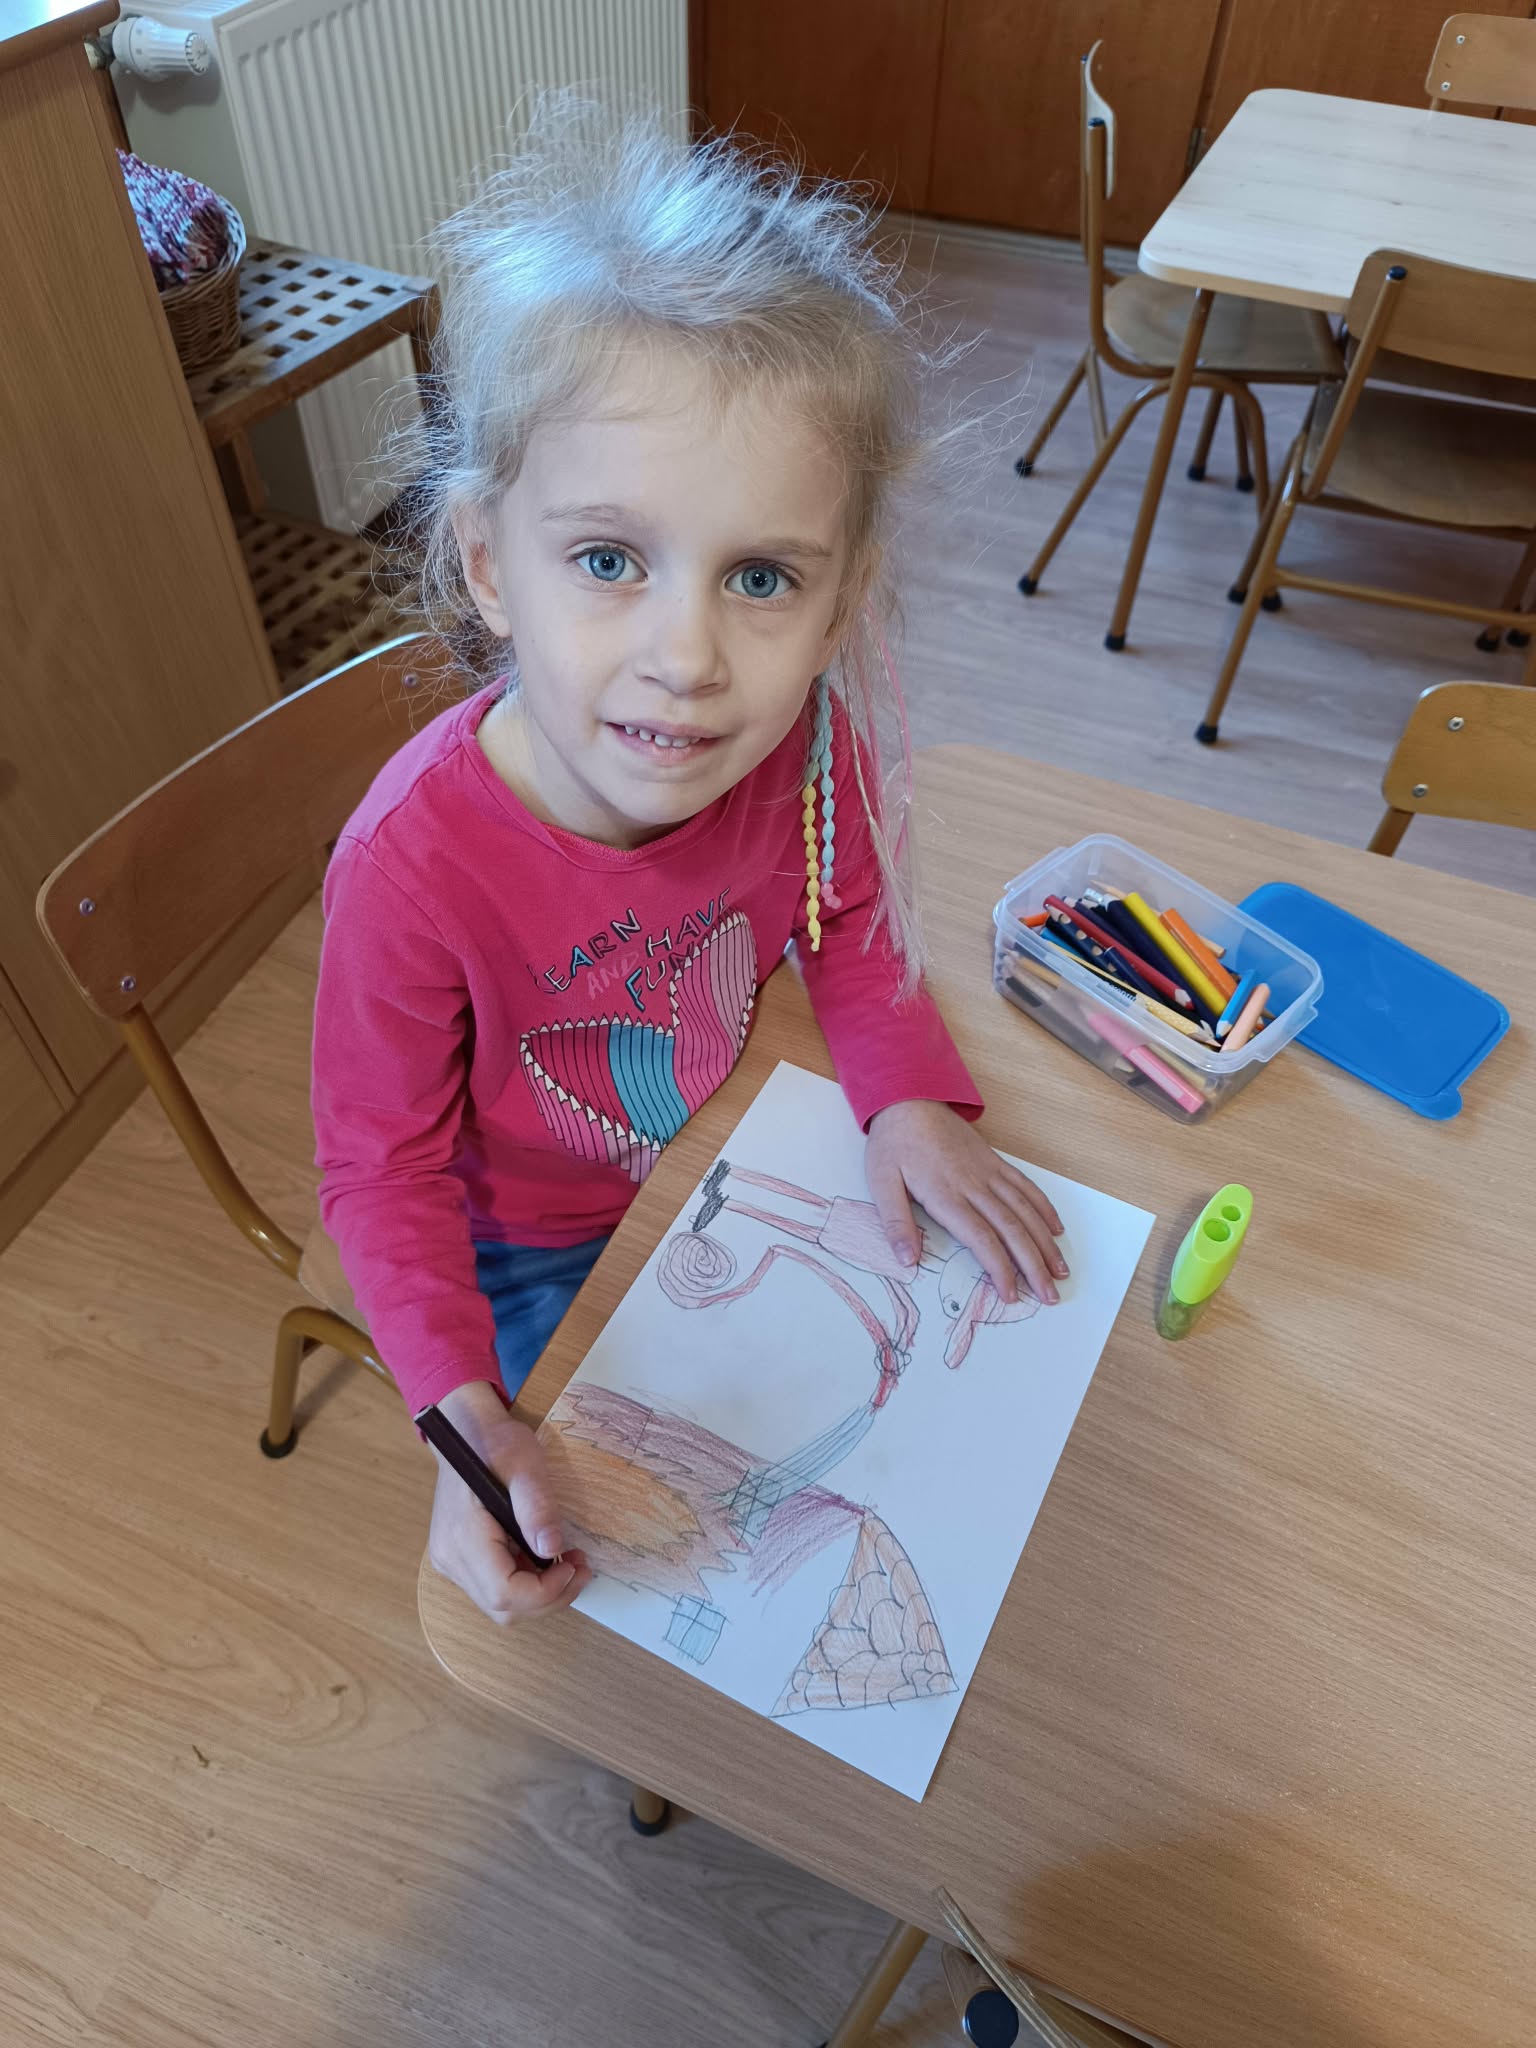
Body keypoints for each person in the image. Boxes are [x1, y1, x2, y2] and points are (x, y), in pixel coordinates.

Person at [312, 99, 1068, 1627]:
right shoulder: (412, 864)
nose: (689, 657)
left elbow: (845, 909)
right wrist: (463, 1418)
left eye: (762, 578)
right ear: (488, 564)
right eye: (609, 560)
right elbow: (379, 1170)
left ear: (842, 599)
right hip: (528, 1247)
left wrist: (906, 1097)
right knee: (650, 1575)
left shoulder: (800, 743)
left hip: (723, 1156)